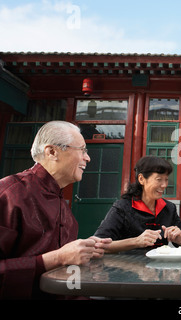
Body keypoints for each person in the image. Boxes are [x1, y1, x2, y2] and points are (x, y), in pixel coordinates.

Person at [0, 121, 111, 299]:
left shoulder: (59, 200)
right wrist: (57, 258)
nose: (88, 158)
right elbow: (58, 259)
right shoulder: (9, 194)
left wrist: (84, 251)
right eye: (82, 150)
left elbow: (68, 274)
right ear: (52, 152)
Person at [95, 155, 181, 253]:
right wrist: (136, 241)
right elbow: (99, 244)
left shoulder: (169, 208)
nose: (164, 185)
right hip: (127, 265)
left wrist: (180, 241)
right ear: (141, 179)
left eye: (166, 179)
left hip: (159, 266)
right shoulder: (123, 207)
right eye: (159, 179)